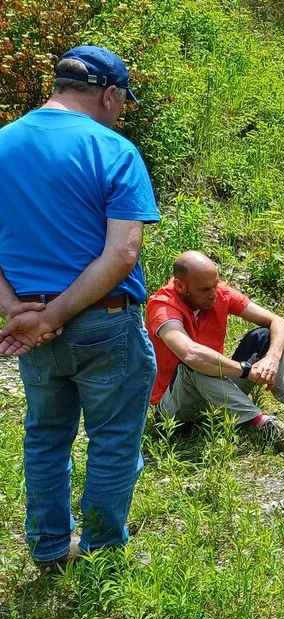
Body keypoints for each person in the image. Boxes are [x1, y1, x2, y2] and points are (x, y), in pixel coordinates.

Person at [0, 47, 158, 570]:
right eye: (121, 102)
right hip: (103, 322)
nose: (120, 113)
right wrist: (55, 315)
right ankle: (102, 554)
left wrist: (19, 312)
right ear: (108, 94)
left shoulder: (3, 145)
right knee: (112, 439)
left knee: (46, 436)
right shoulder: (113, 150)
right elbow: (122, 254)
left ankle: (48, 549)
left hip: (32, 328)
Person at [145, 251, 284, 452]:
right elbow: (191, 354)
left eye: (215, 285)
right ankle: (262, 425)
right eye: (205, 289)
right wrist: (246, 370)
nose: (213, 295)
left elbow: (278, 322)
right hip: (176, 411)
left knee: (264, 336)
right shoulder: (163, 307)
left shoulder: (218, 293)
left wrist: (272, 359)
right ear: (180, 286)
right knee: (197, 362)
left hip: (216, 393)